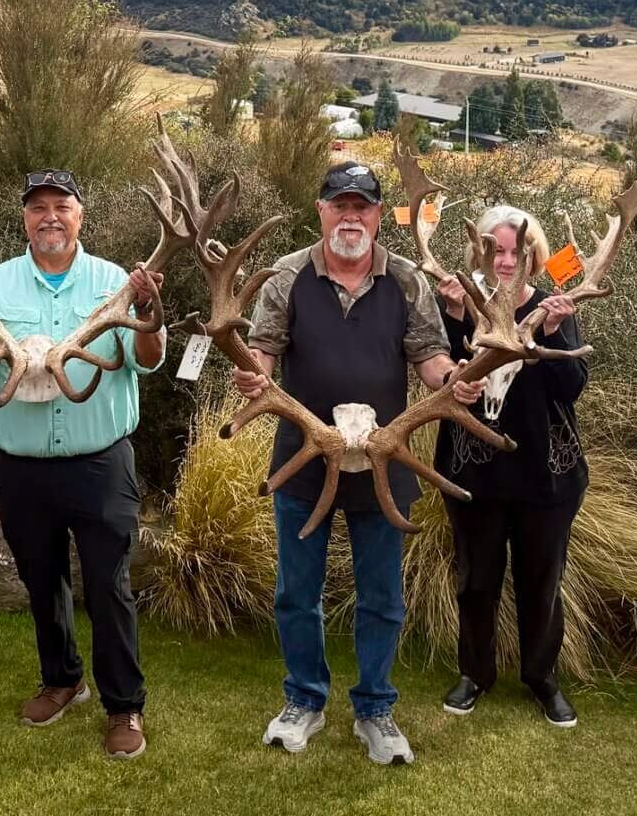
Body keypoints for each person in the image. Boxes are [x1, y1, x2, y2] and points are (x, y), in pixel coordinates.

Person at [235, 159, 478, 767]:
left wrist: (453, 380)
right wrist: (253, 377)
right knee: (297, 591)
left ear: (377, 215)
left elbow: (429, 356)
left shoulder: (406, 280)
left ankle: (375, 708)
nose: (351, 217)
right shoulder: (287, 276)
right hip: (303, 460)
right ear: (321, 210)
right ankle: (304, 699)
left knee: (382, 596)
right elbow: (263, 349)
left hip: (382, 465)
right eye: (340, 205)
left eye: (362, 207)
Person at [0, 167, 163, 759]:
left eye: (61, 205)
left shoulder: (114, 282)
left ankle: (124, 705)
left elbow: (146, 361)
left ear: (80, 215)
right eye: (38, 207)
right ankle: (62, 680)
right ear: (25, 219)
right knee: (41, 579)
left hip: (100, 463)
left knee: (109, 586)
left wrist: (149, 311)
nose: (50, 217)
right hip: (22, 467)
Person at [433, 204, 588, 729]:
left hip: (546, 475)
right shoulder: (463, 305)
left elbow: (571, 387)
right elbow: (442, 375)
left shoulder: (552, 308)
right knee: (476, 579)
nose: (505, 260)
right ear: (479, 253)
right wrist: (453, 320)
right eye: (495, 250)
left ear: (534, 256)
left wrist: (554, 331)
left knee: (542, 580)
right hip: (474, 471)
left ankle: (542, 677)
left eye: (517, 251)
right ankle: (474, 673)